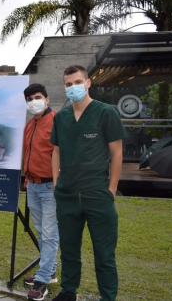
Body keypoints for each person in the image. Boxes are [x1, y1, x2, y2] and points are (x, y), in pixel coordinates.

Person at [50, 65, 126, 301]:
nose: (73, 87)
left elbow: (117, 153)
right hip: (67, 194)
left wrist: (111, 189)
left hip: (97, 195)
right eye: (69, 84)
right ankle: (68, 291)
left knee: (104, 254)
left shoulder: (105, 113)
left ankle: (108, 297)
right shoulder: (61, 117)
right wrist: (56, 184)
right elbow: (56, 152)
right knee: (69, 251)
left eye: (77, 82)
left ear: (88, 82)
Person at [22, 84, 58, 301]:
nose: (33, 101)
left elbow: (63, 153)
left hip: (50, 187)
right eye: (30, 99)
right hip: (32, 186)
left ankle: (42, 280)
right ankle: (50, 270)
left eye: (37, 97)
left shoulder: (56, 120)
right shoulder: (30, 124)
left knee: (50, 233)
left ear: (46, 99)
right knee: (41, 231)